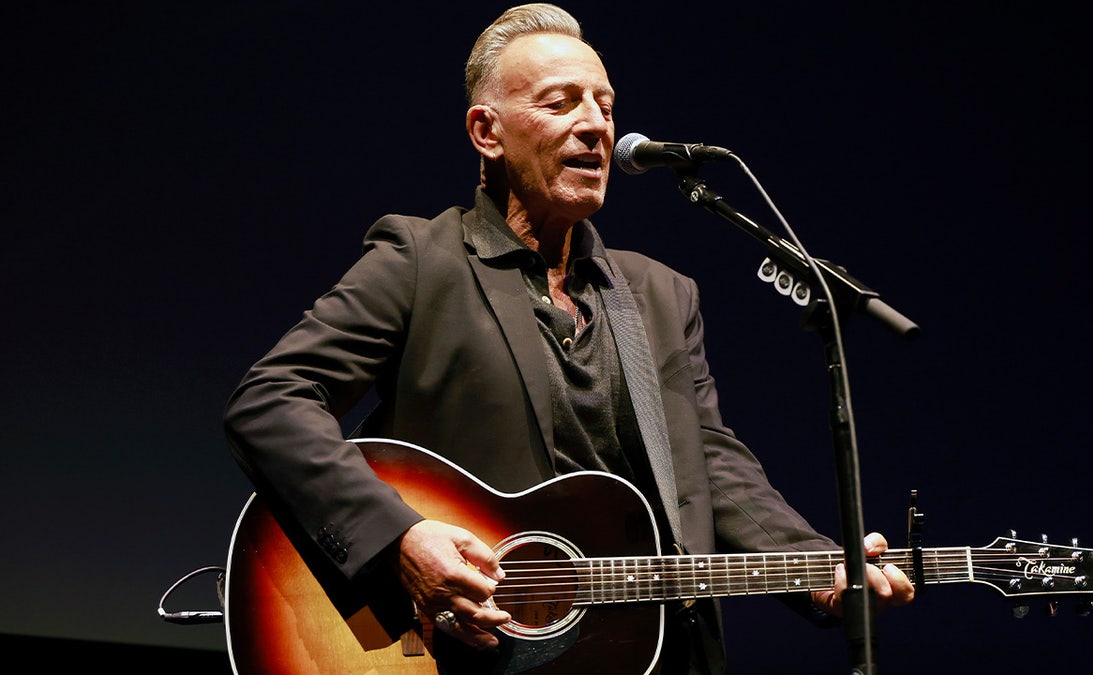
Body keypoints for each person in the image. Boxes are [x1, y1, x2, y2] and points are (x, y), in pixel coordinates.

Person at [223, 4, 914, 673]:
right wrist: (399, 537)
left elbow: (707, 461)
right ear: (486, 132)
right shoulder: (420, 260)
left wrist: (819, 562)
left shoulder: (659, 294)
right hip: (466, 651)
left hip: (646, 650)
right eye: (562, 103)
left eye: (605, 106)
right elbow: (271, 400)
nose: (595, 126)